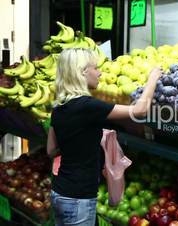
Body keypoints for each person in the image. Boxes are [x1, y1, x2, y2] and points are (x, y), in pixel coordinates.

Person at [47, 48, 161, 226]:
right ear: (83, 72)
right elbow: (139, 111)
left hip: (59, 192)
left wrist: (79, 139)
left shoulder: (59, 107)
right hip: (79, 197)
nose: (100, 72)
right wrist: (153, 78)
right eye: (95, 67)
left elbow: (51, 150)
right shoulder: (88, 106)